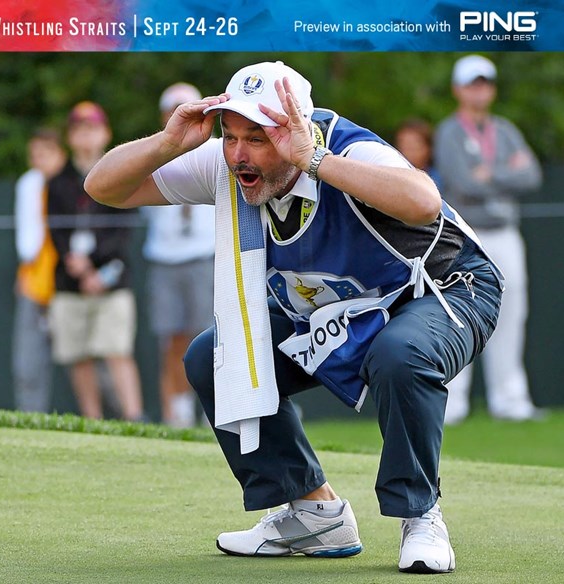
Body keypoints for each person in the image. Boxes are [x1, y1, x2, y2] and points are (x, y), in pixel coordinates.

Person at [85, 61, 503, 574]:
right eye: (231, 135)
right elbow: (105, 188)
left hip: (445, 289)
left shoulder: (348, 149)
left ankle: (421, 514)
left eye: (258, 138)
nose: (240, 153)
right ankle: (314, 514)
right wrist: (168, 143)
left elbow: (422, 202)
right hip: (342, 306)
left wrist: (315, 160)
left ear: (295, 131)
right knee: (210, 357)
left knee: (400, 353)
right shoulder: (228, 164)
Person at [435, 55, 544, 425]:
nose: (479, 90)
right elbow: (462, 181)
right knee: (459, 313)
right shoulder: (449, 131)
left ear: (492, 89)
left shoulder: (506, 129)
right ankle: (453, 402)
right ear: (458, 89)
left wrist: (487, 175)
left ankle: (510, 400)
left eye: (485, 83)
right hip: (466, 236)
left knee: (513, 313)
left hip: (506, 232)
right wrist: (504, 174)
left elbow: (531, 176)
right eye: (472, 84)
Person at [47, 101, 145, 422]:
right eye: (79, 130)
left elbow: (123, 229)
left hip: (112, 279)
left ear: (106, 133)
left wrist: (95, 267)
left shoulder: (121, 173)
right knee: (78, 354)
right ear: (70, 137)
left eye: (92, 129)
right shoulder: (57, 181)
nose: (86, 137)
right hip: (69, 280)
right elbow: (56, 230)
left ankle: (134, 417)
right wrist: (77, 265)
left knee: (117, 350)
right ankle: (93, 421)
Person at [142, 83, 216, 427]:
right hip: (164, 258)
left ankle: (214, 412)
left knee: (210, 338)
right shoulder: (150, 155)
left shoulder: (216, 152)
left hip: (204, 256)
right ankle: (178, 414)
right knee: (171, 339)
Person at [12, 128, 67, 413]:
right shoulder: (29, 186)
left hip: (69, 288)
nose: (39, 161)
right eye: (34, 155)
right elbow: (28, 244)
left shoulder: (74, 185)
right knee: (28, 362)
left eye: (46, 154)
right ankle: (30, 418)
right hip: (34, 287)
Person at [395, 118, 441, 189]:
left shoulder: (441, 180)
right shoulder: (392, 175)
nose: (407, 152)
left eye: (413, 146)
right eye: (403, 145)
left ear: (428, 148)